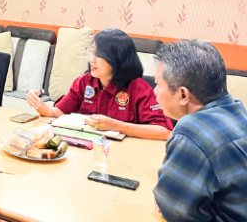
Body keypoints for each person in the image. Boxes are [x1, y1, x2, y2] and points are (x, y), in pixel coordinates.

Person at [153, 40, 247, 222]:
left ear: (182, 95)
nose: (155, 91)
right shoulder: (238, 111)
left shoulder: (192, 132)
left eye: (158, 83)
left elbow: (171, 210)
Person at [26, 28, 172, 140]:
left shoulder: (139, 88)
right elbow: (56, 114)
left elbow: (164, 131)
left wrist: (117, 126)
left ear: (117, 58)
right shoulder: (84, 82)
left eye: (99, 55)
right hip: (86, 150)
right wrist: (39, 104)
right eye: (91, 52)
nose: (91, 59)